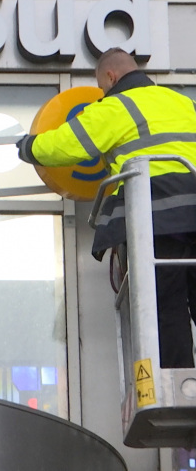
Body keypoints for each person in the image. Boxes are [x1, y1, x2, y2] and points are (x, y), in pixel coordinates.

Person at [16, 47, 196, 368]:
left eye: (101, 86)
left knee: (166, 304)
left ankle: (178, 384)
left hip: (159, 216)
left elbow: (69, 143)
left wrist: (30, 147)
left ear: (111, 77)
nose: (102, 92)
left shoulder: (116, 106)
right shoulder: (182, 101)